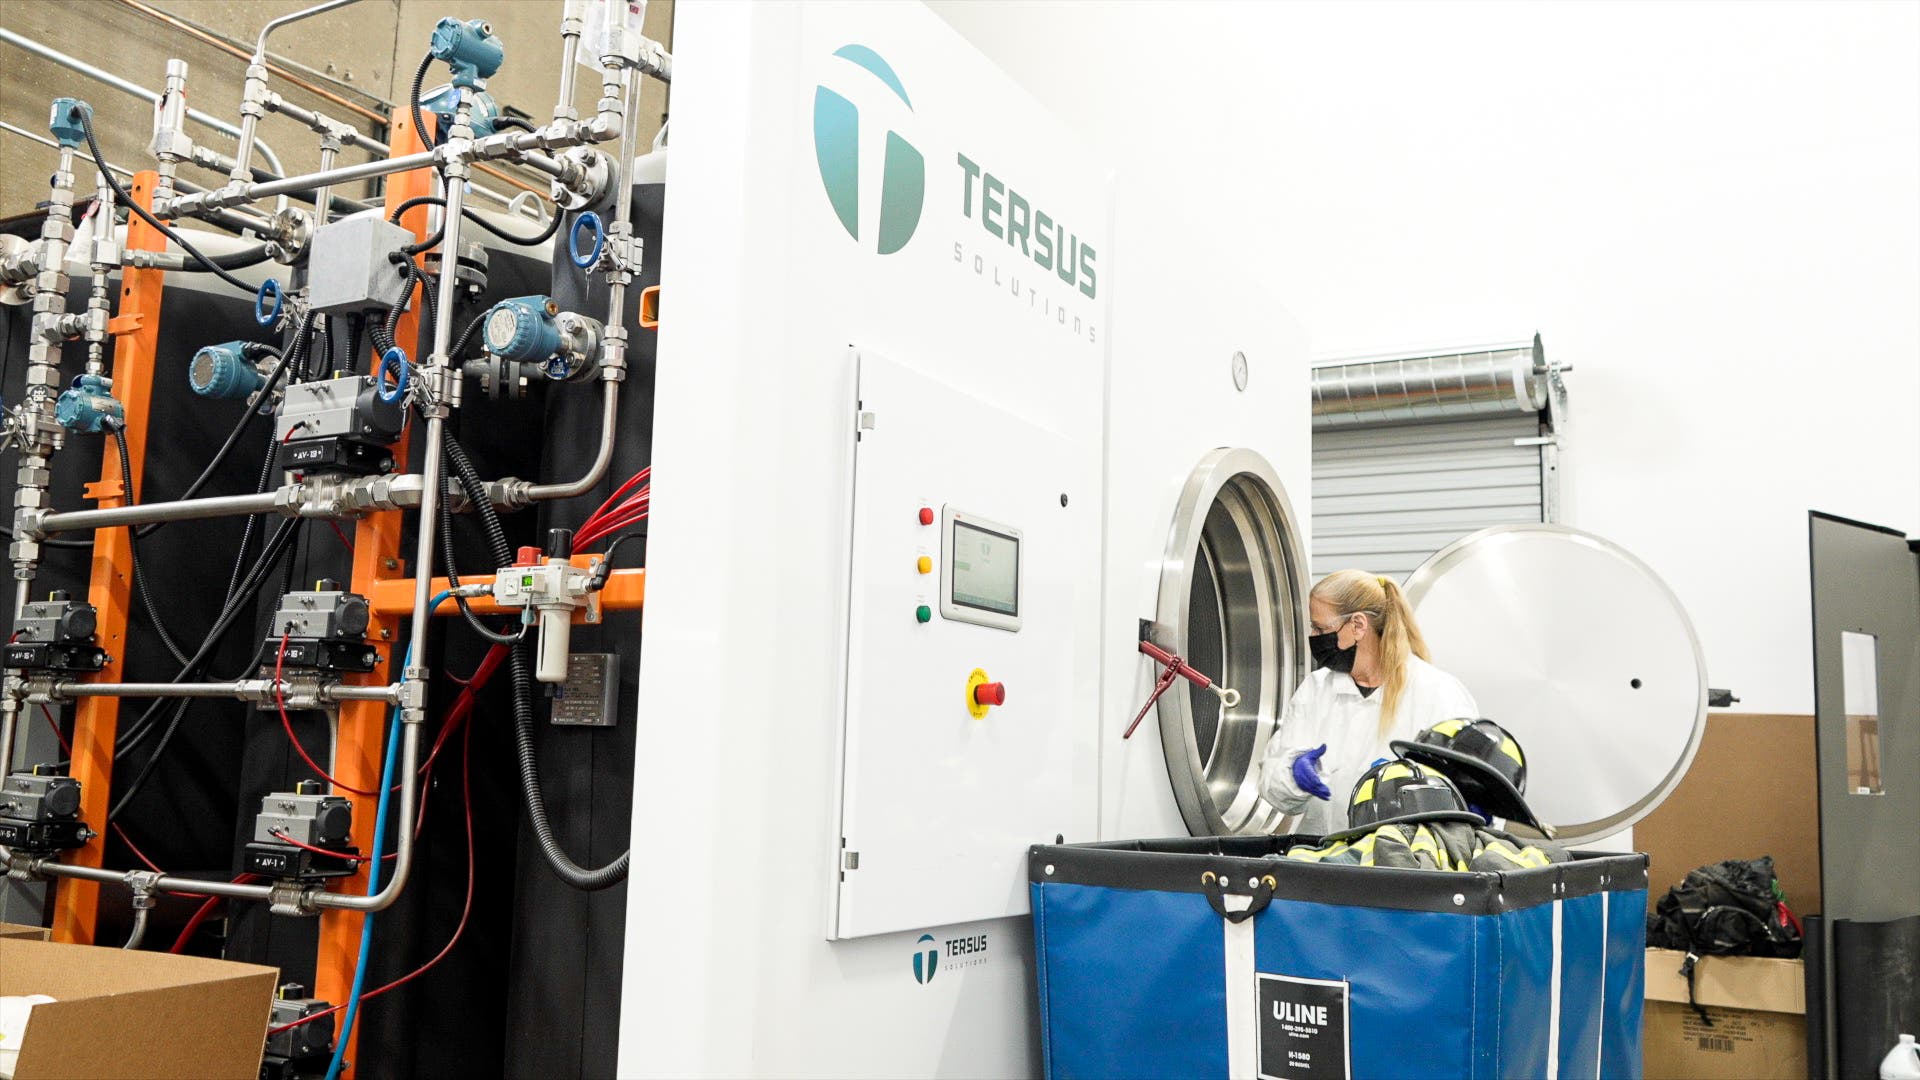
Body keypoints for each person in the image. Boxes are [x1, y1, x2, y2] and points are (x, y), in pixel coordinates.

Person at [1258, 569, 1479, 834]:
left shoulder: (1438, 693)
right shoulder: (1315, 690)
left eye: (1321, 628)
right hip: (1323, 857)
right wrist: (1293, 774)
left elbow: (1471, 794)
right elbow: (1271, 782)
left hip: (1403, 865)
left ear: (1358, 625)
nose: (1314, 637)